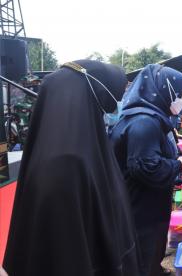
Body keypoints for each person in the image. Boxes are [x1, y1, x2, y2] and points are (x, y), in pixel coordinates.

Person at [4, 60, 140, 276]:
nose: (119, 103)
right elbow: (66, 255)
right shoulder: (66, 163)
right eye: (116, 96)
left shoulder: (89, 145)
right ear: (94, 95)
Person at [109, 64, 182, 276]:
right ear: (163, 91)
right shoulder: (144, 122)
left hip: (145, 199)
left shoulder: (147, 116)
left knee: (151, 247)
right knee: (142, 248)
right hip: (140, 204)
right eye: (179, 93)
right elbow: (147, 168)